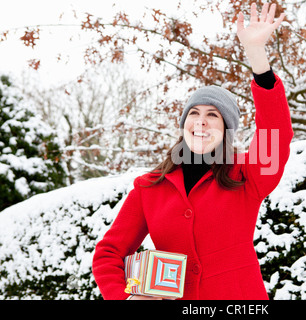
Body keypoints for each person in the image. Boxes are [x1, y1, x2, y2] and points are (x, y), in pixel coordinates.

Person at [92, 2, 293, 300]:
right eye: (194, 114)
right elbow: (108, 254)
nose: (201, 121)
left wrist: (256, 56)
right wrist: (125, 297)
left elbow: (275, 133)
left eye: (213, 115)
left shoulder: (246, 175)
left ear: (226, 129)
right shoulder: (149, 187)